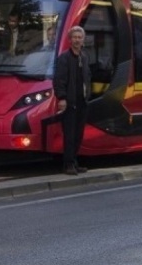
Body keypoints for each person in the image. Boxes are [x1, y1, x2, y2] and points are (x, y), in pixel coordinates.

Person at [53, 26, 92, 176]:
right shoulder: (64, 58)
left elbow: (87, 78)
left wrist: (87, 95)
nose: (77, 40)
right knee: (69, 135)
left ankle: (74, 162)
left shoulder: (84, 56)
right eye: (74, 37)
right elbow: (59, 80)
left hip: (82, 102)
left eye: (79, 37)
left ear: (83, 40)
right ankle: (68, 164)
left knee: (78, 135)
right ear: (70, 40)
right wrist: (61, 98)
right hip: (69, 102)